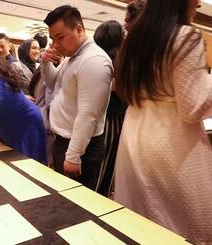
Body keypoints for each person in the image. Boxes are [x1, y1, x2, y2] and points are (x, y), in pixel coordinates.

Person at [114, 0, 211, 243]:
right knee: (181, 225)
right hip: (172, 140)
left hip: (135, 134)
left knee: (145, 220)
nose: (198, 2)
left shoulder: (135, 37)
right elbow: (194, 107)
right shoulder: (185, 36)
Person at [41, 5, 113, 189]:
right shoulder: (73, 57)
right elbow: (53, 84)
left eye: (60, 37)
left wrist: (73, 155)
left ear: (79, 29)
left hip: (81, 148)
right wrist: (45, 62)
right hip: (65, 142)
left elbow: (88, 115)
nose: (56, 44)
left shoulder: (94, 60)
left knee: (78, 208)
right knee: (64, 201)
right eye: (53, 39)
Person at [93, 20, 126, 196]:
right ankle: (100, 195)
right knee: (108, 161)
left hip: (106, 113)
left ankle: (98, 195)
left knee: (104, 160)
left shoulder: (98, 56)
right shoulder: (117, 58)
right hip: (114, 114)